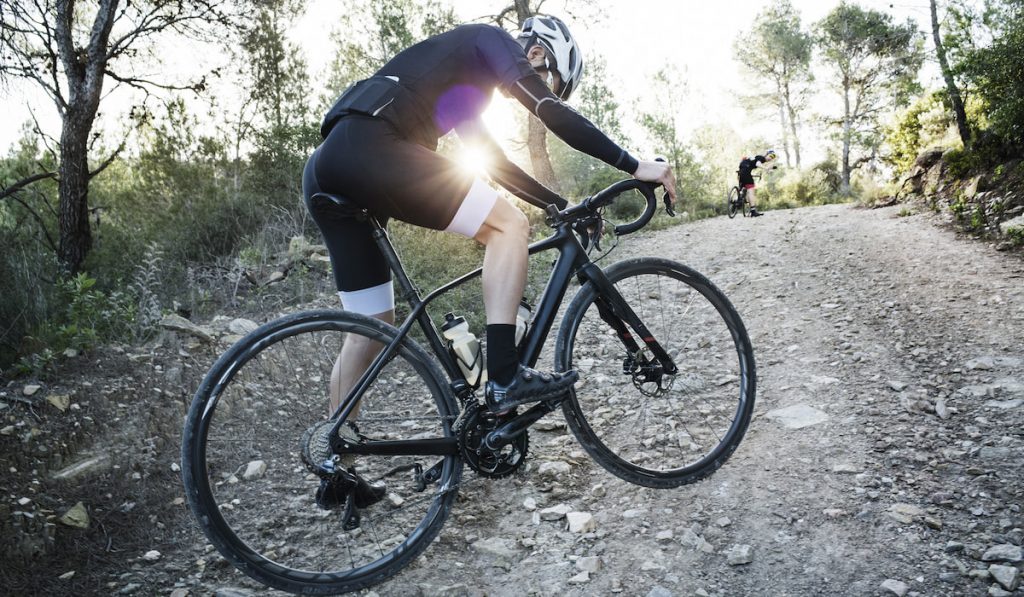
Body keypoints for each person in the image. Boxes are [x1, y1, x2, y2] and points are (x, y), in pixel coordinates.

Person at [301, 16, 676, 509]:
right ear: (539, 54)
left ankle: (335, 467)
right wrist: (635, 164)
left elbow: (493, 162)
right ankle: (503, 374)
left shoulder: (463, 79)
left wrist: (554, 202)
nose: (534, 83)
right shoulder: (491, 39)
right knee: (508, 226)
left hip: (330, 164)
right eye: (548, 79)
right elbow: (550, 112)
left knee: (371, 324)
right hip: (373, 145)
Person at [736, 149, 777, 217]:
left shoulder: (756, 157)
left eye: (773, 157)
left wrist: (770, 167)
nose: (771, 158)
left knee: (743, 186)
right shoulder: (761, 158)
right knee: (751, 189)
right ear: (766, 154)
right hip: (746, 170)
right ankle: (753, 211)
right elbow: (757, 164)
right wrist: (765, 168)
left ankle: (739, 200)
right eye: (770, 156)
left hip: (741, 169)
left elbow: (748, 162)